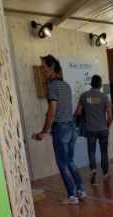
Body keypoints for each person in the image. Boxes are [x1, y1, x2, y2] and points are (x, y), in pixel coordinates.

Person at [33, 54, 85, 205]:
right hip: (71, 127)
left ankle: (72, 196)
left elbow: (52, 112)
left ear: (51, 68)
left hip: (61, 129)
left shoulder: (52, 86)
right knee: (70, 161)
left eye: (43, 67)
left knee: (62, 164)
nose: (42, 70)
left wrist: (43, 131)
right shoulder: (66, 85)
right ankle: (81, 190)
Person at [76, 75, 112, 185]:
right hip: (103, 129)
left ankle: (93, 170)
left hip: (90, 129)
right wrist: (107, 126)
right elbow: (110, 116)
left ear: (91, 83)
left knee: (91, 151)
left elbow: (78, 112)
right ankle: (105, 173)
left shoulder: (84, 96)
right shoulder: (104, 97)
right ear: (100, 84)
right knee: (104, 152)